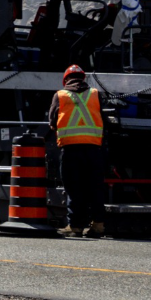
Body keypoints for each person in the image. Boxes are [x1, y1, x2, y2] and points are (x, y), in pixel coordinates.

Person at [49, 65, 107, 236]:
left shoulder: (60, 95)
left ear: (65, 80)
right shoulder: (95, 94)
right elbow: (104, 118)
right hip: (94, 150)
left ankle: (75, 226)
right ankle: (98, 225)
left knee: (74, 189)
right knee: (95, 188)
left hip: (71, 150)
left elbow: (52, 122)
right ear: (83, 79)